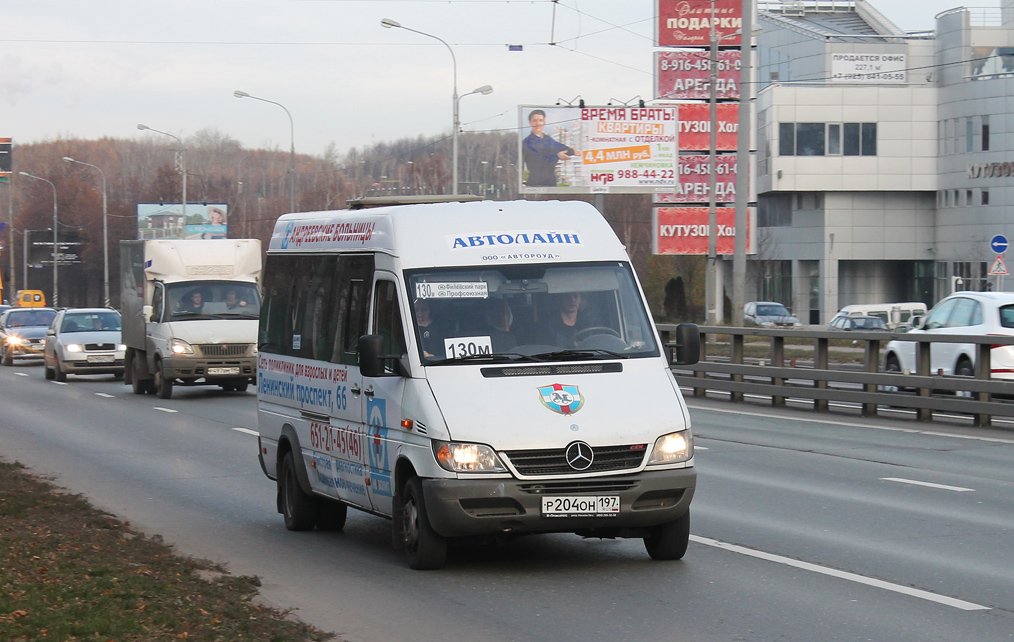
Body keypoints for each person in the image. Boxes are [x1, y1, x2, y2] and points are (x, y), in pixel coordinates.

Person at [522, 109, 580, 187]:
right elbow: (537, 161)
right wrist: (557, 156)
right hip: (536, 183)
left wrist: (573, 151)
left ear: (544, 122)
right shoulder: (527, 142)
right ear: (530, 123)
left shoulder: (547, 139)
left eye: (540, 120)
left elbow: (559, 147)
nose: (538, 123)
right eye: (535, 120)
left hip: (551, 182)